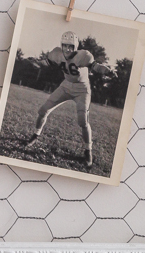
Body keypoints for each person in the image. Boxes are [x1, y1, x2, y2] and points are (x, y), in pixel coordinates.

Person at [23, 31, 111, 168]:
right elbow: (47, 62)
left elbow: (97, 67)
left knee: (83, 120)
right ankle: (36, 135)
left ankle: (88, 150)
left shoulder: (84, 56)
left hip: (82, 89)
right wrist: (36, 62)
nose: (67, 49)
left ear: (75, 47)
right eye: (65, 46)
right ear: (61, 45)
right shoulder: (57, 53)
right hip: (65, 86)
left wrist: (108, 71)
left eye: (71, 46)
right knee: (43, 110)